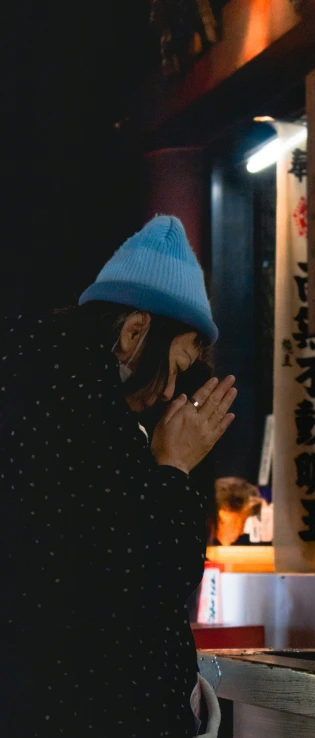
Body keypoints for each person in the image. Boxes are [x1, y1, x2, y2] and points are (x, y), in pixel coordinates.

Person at [0, 215, 236, 737]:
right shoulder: (80, 403)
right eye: (175, 366)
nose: (169, 390)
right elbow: (134, 583)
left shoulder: (35, 370)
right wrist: (172, 469)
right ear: (134, 331)